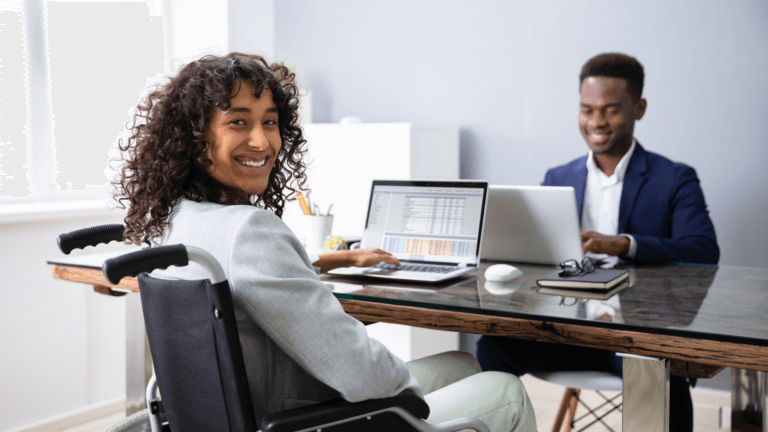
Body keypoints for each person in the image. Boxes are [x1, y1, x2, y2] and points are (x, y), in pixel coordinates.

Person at [112, 52, 536, 431]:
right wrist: (408, 401)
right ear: (195, 138)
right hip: (305, 421)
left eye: (270, 122)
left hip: (232, 415)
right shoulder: (249, 231)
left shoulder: (178, 221)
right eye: (238, 121)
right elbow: (359, 373)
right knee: (502, 389)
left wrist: (332, 262)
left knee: (462, 362)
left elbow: (250, 282)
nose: (262, 141)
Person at [477, 53, 719, 432]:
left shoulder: (674, 178)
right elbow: (536, 254)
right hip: (565, 329)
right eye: (586, 110)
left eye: (610, 110)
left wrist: (624, 244)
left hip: (636, 335)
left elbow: (704, 251)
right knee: (492, 345)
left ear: (639, 109)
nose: (596, 122)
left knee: (658, 370)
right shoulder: (558, 177)